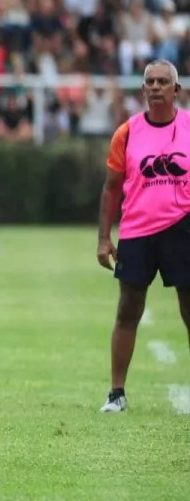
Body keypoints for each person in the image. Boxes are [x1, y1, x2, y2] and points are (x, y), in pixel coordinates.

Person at [96, 60, 189, 412]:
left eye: (163, 81)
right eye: (149, 81)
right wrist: (104, 239)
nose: (155, 87)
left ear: (176, 90)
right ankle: (116, 394)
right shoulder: (128, 132)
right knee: (128, 310)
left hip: (183, 228)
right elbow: (111, 188)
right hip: (137, 230)